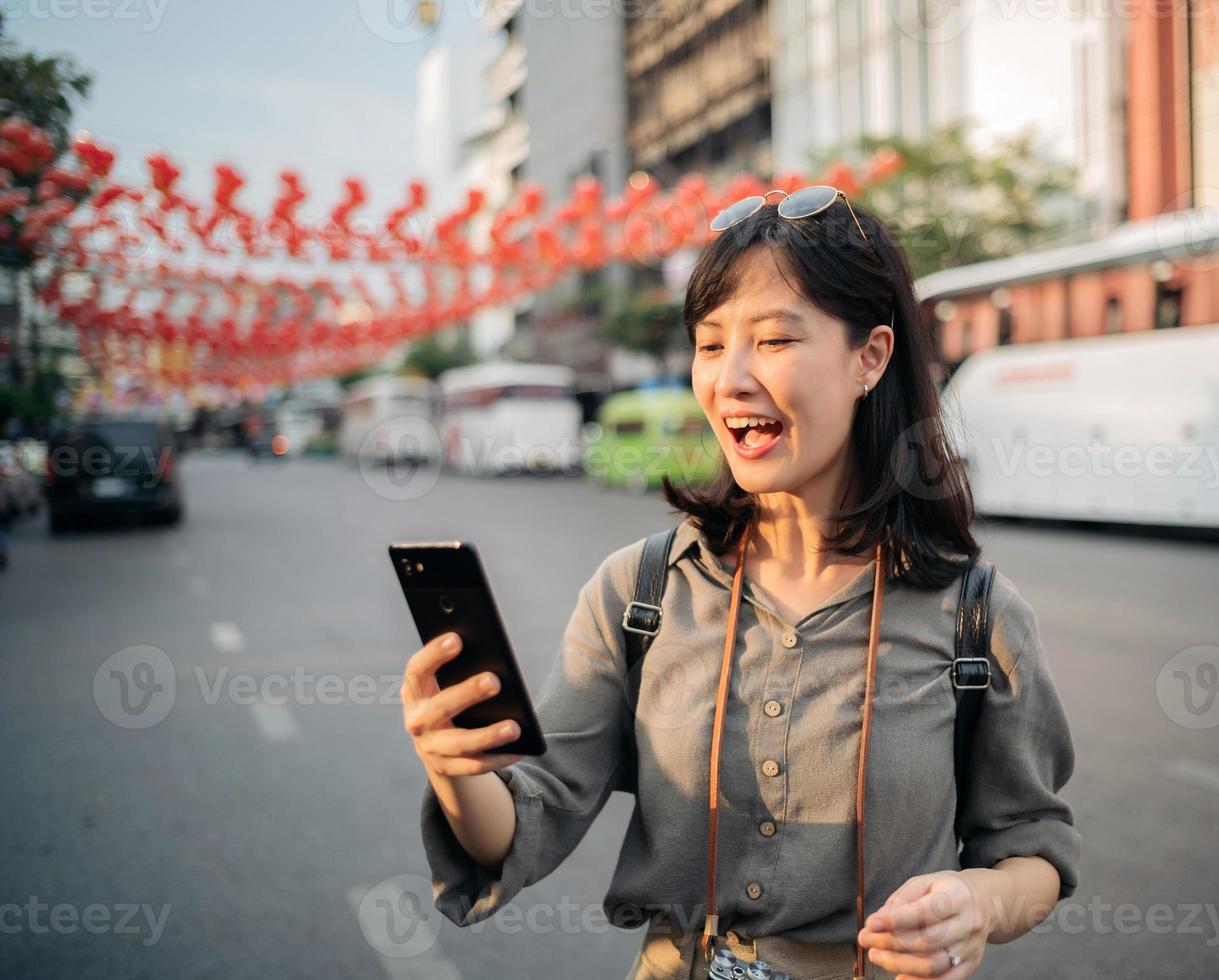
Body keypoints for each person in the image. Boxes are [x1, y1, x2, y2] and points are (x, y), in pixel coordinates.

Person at [402, 187, 1080, 980]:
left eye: (773, 340)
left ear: (871, 356)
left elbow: (1033, 848)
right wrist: (454, 767)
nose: (731, 379)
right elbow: (525, 822)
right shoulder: (639, 593)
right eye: (711, 344)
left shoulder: (977, 615)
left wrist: (981, 904)